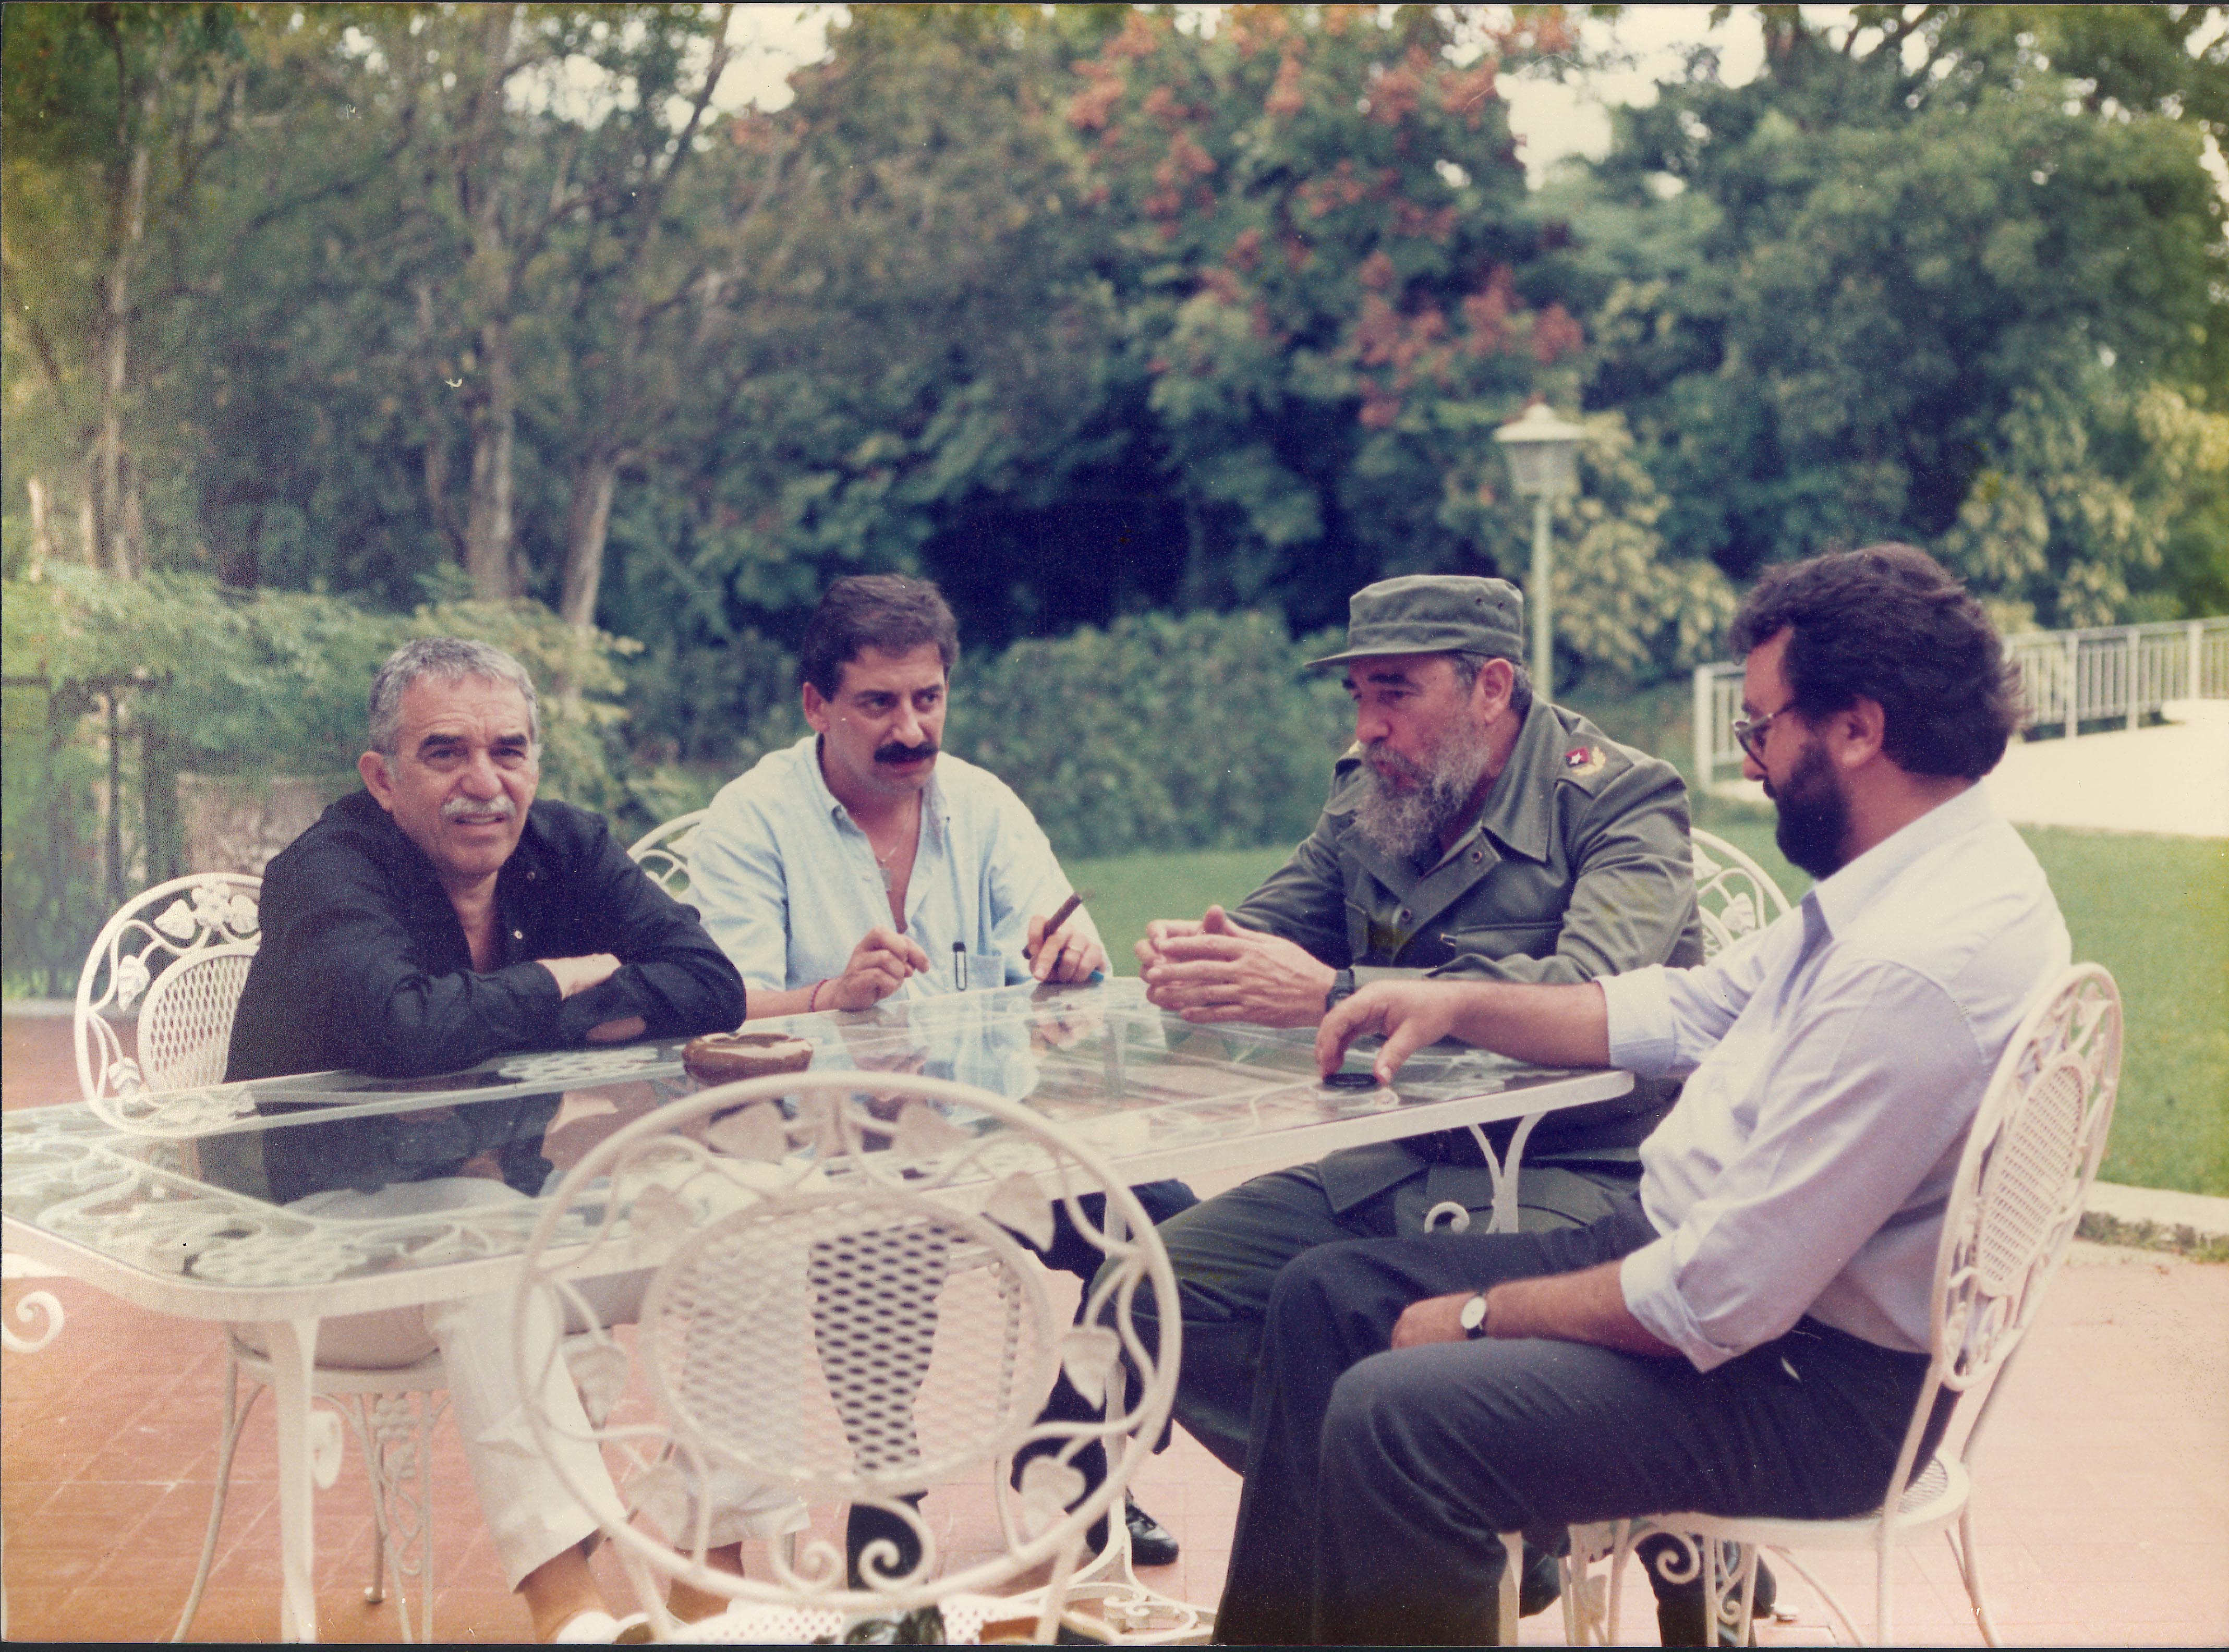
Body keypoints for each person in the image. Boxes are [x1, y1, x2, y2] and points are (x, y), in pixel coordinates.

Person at [1210, 543, 2067, 1645]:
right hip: (1720, 1286)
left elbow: (1715, 1300)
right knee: (1323, 1298)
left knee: (1398, 1415)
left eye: (1761, 729)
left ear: (1858, 729)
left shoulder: (1911, 970)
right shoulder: (1919, 878)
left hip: (1810, 1391)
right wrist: (1453, 1000)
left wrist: (1471, 1318)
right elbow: (1687, 1009)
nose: (1749, 766)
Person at [227, 637, 774, 1643]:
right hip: (319, 1250)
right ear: (382, 778)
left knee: (739, 1227)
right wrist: (558, 984)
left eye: (509, 751)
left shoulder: (567, 846)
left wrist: (517, 1007)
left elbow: (712, 984)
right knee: (490, 1256)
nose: (485, 784)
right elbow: (403, 1028)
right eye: (445, 754)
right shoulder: (323, 870)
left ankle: (711, 1580)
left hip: (516, 1205)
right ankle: (571, 1615)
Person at [1127, 575, 1699, 1477]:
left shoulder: (1619, 800)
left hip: (1575, 1170)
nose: (1367, 725)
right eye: (1359, 694)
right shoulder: (1375, 790)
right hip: (1397, 1154)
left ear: (1492, 687)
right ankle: (1407, 1512)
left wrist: (1336, 993)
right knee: (1148, 1291)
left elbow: (1594, 991)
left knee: (1368, 1321)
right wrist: (1196, 955)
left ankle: (1441, 1518)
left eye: (1396, 690)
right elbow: (1266, 931)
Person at [687, 573, 1196, 1570]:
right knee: (879, 1234)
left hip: (991, 1133)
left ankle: (1079, 1447)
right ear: (816, 705)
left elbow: (1059, 945)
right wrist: (832, 996)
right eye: (878, 703)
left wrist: (1073, 958)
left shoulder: (983, 806)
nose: (911, 728)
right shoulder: (749, 819)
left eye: (928, 699)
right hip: (823, 1148)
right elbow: (713, 1005)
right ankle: (892, 1492)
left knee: (1175, 1233)